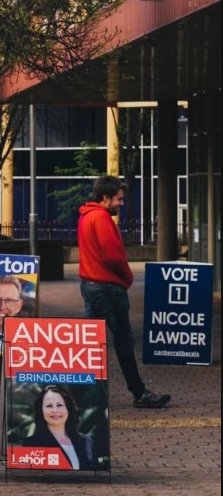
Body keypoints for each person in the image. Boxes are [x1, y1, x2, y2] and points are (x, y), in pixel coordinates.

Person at [78, 175, 171, 409]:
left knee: (91, 341)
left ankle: (85, 394)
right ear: (105, 197)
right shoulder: (101, 218)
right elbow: (112, 255)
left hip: (90, 285)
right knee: (123, 341)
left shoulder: (86, 216)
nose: (122, 203)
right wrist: (127, 277)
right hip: (108, 287)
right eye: (119, 199)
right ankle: (139, 393)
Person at [22, 385, 94, 470]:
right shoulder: (31, 444)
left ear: (68, 408)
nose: (55, 410)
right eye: (49, 406)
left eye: (59, 405)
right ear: (41, 411)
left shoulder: (86, 441)